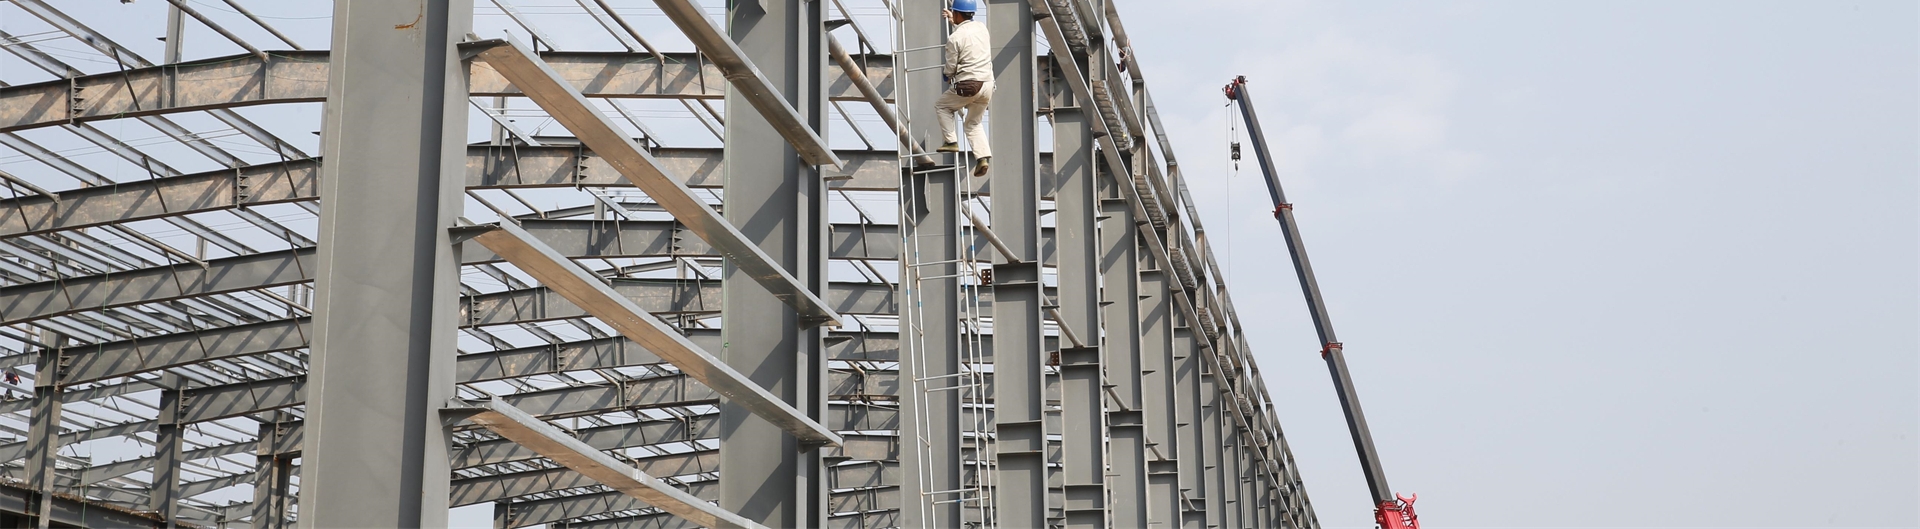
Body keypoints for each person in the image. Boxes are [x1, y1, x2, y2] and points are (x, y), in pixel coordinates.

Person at [936, 0, 993, 177]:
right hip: (987, 85)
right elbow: (968, 37)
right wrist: (954, 21)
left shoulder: (954, 39)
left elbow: (951, 66)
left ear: (957, 13)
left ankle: (951, 142)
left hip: (969, 85)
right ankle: (982, 157)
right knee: (973, 123)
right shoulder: (982, 28)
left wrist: (946, 75)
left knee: (942, 106)